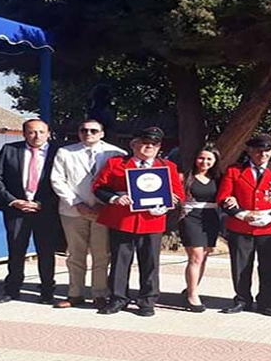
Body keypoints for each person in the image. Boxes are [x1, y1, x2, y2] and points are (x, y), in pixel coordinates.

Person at [92, 127, 185, 317]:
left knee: (150, 262)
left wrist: (169, 202)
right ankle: (118, 298)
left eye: (154, 144)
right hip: (123, 219)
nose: (149, 147)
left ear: (159, 147)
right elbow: (99, 187)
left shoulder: (168, 167)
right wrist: (114, 199)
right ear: (134, 144)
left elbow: (179, 194)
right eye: (145, 143)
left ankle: (147, 300)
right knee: (119, 261)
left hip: (152, 220)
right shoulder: (116, 163)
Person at [216, 133, 271, 316]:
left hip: (270, 226)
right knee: (241, 265)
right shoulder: (234, 171)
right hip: (241, 226)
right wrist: (241, 214)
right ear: (250, 151)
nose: (263, 155)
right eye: (259, 151)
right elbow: (223, 196)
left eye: (267, 151)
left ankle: (267, 303)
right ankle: (242, 299)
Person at [49, 120, 126, 309]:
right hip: (73, 210)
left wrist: (107, 204)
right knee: (75, 254)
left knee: (101, 254)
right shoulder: (66, 152)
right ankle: (75, 293)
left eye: (93, 130)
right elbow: (57, 180)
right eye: (84, 130)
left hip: (104, 211)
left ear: (102, 133)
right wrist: (77, 203)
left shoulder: (116, 154)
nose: (88, 133)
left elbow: (120, 185)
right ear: (79, 132)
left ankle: (99, 294)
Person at [0, 119, 61, 305]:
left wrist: (42, 204)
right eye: (31, 132)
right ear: (24, 133)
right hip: (17, 209)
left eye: (41, 132)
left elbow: (64, 181)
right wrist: (13, 201)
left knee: (46, 251)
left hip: (45, 210)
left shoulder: (59, 152)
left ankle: (47, 290)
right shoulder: (9, 150)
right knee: (16, 250)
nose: (36, 136)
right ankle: (12, 289)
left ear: (48, 133)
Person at [179, 144, 222, 312]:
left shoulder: (219, 178)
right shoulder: (185, 177)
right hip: (190, 217)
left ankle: (191, 288)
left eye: (209, 159)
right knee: (195, 256)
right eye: (201, 158)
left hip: (210, 217)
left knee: (204, 256)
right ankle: (192, 296)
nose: (204, 161)